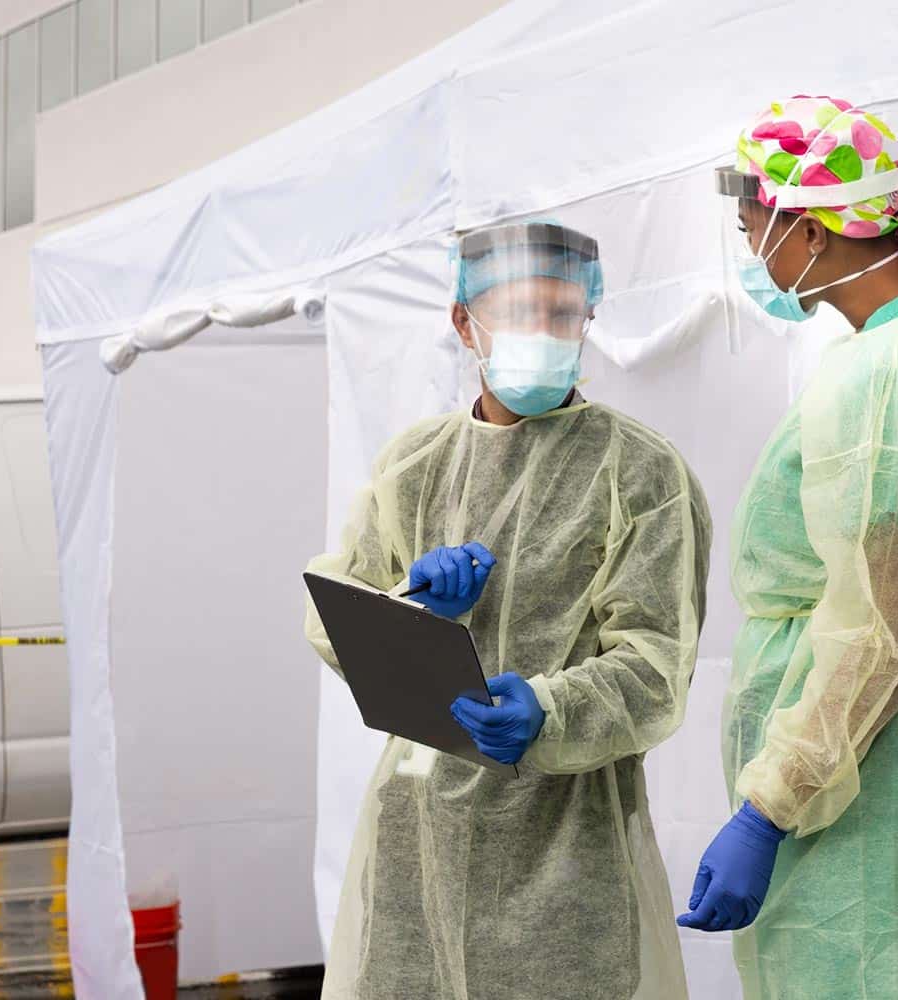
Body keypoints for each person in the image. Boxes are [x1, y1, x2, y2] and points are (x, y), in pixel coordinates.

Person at [677, 96, 898, 1000]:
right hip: (865, 763)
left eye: (750, 222)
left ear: (808, 230)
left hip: (872, 772)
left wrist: (771, 804)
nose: (748, 247)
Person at [305, 221, 712, 999]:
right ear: (465, 322)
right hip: (417, 833)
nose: (546, 333)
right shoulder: (415, 463)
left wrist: (551, 711)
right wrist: (408, 604)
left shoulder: (641, 472)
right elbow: (335, 617)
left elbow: (657, 663)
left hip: (565, 841)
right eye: (523, 310)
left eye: (565, 315)